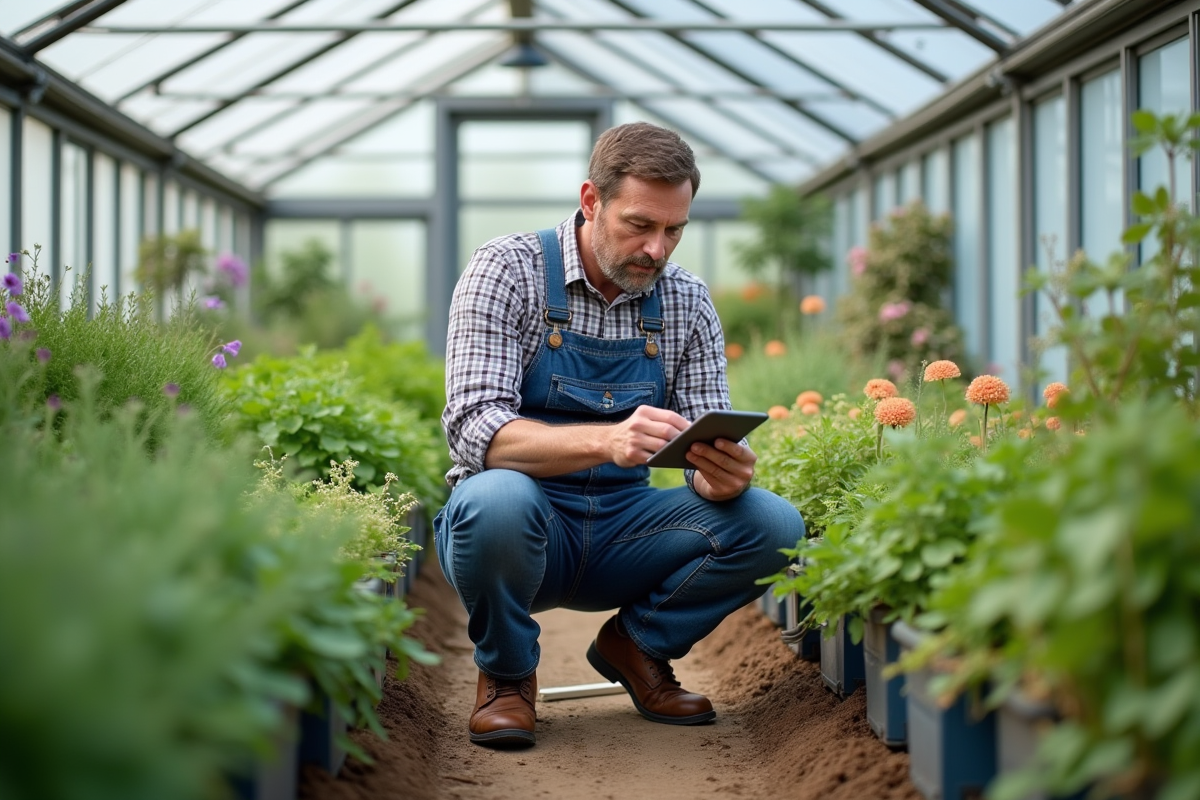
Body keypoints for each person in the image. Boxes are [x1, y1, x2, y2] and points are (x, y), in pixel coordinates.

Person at [434, 121, 804, 748]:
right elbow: (475, 430)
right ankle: (506, 675)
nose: (657, 249)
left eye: (673, 231)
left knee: (773, 525)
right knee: (493, 499)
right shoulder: (507, 270)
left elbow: (699, 443)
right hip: (524, 529)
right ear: (590, 201)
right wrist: (605, 440)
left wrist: (719, 475)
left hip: (626, 531)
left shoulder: (686, 301)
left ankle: (636, 647)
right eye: (639, 225)